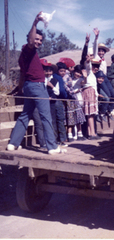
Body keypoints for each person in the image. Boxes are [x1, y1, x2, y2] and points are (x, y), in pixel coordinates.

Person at [7, 12, 65, 155]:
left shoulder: (24, 56)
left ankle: (12, 144)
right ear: (29, 38)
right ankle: (52, 147)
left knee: (25, 115)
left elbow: (22, 76)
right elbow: (32, 42)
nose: (38, 42)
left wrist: (19, 89)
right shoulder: (29, 49)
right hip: (38, 87)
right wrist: (35, 22)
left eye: (40, 40)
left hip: (28, 87)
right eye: (36, 39)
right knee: (46, 116)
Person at [64, 65, 86, 142]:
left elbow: (84, 82)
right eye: (77, 72)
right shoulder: (69, 79)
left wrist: (85, 76)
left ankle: (79, 134)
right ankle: (70, 135)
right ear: (74, 71)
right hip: (70, 99)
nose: (78, 74)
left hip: (77, 99)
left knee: (78, 116)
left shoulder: (80, 79)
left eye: (80, 73)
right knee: (71, 117)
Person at [53, 62, 69, 147]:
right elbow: (62, 91)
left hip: (52, 100)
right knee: (60, 119)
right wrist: (66, 97)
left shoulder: (54, 76)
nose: (63, 73)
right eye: (61, 71)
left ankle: (56, 139)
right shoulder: (58, 78)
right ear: (57, 71)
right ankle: (62, 139)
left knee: (54, 120)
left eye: (64, 71)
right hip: (58, 100)